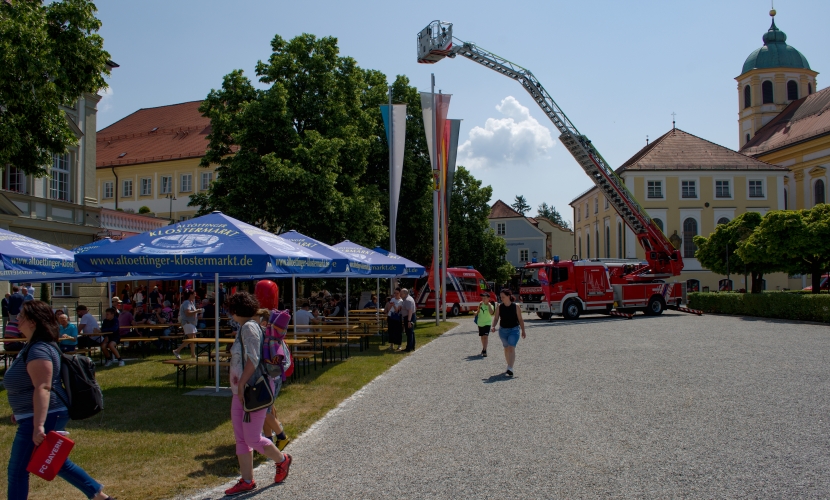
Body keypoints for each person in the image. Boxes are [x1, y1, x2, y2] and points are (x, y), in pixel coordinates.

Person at [6, 300, 114, 500]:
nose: (17, 319)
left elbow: (44, 387)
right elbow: (30, 386)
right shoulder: (33, 346)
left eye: (22, 315)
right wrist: (19, 411)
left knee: (18, 471)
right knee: (57, 461)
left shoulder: (39, 349)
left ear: (33, 321)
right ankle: (101, 497)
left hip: (43, 416)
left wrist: (38, 426)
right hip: (36, 414)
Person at [224, 292, 292, 495]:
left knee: (253, 438)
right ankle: (247, 480)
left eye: (230, 312)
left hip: (252, 390)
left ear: (236, 311)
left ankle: (283, 460)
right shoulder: (247, 327)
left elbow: (253, 360)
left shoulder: (248, 328)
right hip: (241, 391)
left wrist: (243, 383)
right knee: (241, 438)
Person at [257, 309, 291, 451]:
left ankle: (282, 436)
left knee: (264, 411)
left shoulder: (270, 339)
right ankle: (268, 440)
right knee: (266, 410)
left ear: (264, 323)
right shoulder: (271, 337)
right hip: (271, 378)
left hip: (271, 378)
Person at [490, 288, 526, 377]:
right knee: (506, 348)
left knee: (511, 347)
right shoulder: (499, 307)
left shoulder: (516, 306)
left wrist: (523, 331)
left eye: (503, 297)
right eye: (500, 297)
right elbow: (496, 318)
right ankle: (509, 365)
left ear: (509, 296)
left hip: (514, 330)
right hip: (503, 331)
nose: (501, 298)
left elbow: (520, 319)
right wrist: (493, 326)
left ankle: (510, 367)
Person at [173, 290, 203, 360]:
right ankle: (177, 350)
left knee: (193, 338)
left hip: (191, 323)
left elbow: (191, 313)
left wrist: (197, 314)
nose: (195, 295)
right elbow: (187, 313)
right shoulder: (187, 302)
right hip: (187, 323)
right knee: (191, 339)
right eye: (194, 294)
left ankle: (193, 355)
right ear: (190, 295)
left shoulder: (191, 302)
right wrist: (198, 311)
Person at [474, 291, 495, 357]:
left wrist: (488, 305)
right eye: (482, 298)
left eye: (485, 298)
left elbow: (491, 313)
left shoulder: (490, 305)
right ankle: (483, 348)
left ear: (488, 298)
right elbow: (478, 311)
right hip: (480, 323)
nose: (483, 299)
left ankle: (485, 349)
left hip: (487, 323)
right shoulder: (480, 304)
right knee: (482, 337)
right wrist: (475, 313)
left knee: (485, 336)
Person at [399, 288, 417, 352]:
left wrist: (409, 321)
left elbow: (410, 311)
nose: (400, 295)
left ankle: (409, 348)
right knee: (411, 332)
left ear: (405, 293)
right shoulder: (407, 299)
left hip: (409, 317)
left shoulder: (407, 300)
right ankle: (412, 346)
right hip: (409, 316)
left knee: (409, 332)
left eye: (401, 294)